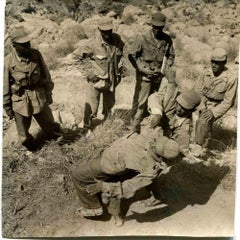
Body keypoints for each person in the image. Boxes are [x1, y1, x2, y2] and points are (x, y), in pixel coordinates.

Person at [72, 135, 180, 226]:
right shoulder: (154, 144)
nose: (154, 142)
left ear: (160, 156)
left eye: (157, 146)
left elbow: (127, 188)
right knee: (115, 181)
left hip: (111, 164)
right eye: (157, 142)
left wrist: (103, 187)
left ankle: (93, 208)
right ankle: (117, 217)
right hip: (118, 160)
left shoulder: (150, 171)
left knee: (78, 174)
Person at [3, 28, 62, 151]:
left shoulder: (36, 55)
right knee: (23, 135)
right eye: (23, 45)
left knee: (51, 126)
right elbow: (4, 88)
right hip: (20, 101)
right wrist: (8, 107)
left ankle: (59, 144)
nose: (27, 47)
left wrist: (49, 94)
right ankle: (34, 149)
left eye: (28, 43)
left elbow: (46, 76)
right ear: (14, 46)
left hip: (38, 96)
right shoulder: (7, 62)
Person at [70, 16, 124, 132]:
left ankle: (106, 125)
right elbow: (75, 57)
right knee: (92, 107)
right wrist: (88, 72)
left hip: (112, 80)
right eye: (104, 31)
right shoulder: (92, 43)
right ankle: (87, 128)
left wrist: (121, 68)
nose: (107, 33)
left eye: (109, 30)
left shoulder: (117, 40)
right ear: (99, 29)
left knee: (109, 105)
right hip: (96, 81)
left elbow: (121, 53)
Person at [128, 11, 175, 132]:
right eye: (155, 27)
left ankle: (149, 129)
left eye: (160, 27)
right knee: (140, 103)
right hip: (144, 77)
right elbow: (132, 55)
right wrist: (143, 69)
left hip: (158, 77)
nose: (157, 30)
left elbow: (171, 55)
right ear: (151, 25)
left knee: (155, 102)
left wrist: (165, 68)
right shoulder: (142, 38)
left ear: (163, 26)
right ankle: (133, 128)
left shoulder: (167, 40)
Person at [193, 48, 238, 150]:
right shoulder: (206, 72)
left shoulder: (231, 78)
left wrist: (213, 112)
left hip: (217, 105)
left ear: (224, 63)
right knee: (182, 105)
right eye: (212, 61)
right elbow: (198, 91)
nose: (214, 65)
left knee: (203, 120)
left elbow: (228, 102)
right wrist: (202, 106)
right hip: (202, 101)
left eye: (217, 63)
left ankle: (199, 148)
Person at [147, 80, 201, 157]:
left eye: (184, 108)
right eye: (179, 104)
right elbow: (155, 97)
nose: (179, 109)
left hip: (162, 141)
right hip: (152, 128)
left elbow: (182, 147)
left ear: (191, 111)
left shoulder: (185, 123)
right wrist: (157, 112)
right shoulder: (171, 99)